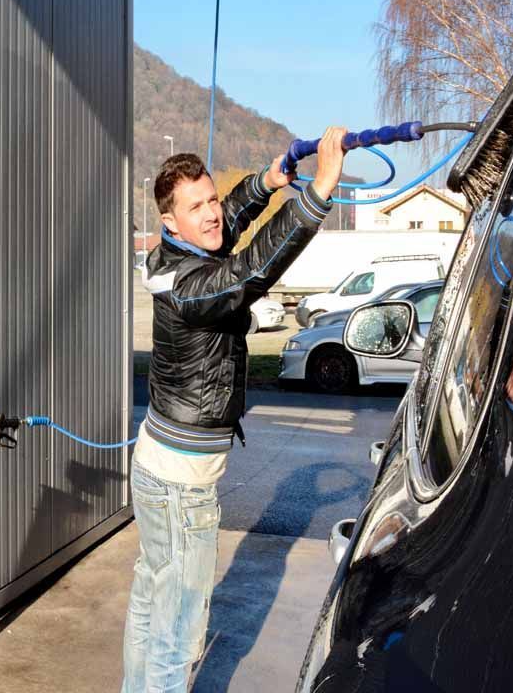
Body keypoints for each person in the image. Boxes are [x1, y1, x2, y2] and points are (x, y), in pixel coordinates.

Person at [122, 127, 348, 692]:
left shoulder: (177, 254)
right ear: (169, 221)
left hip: (157, 470)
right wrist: (317, 193)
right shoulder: (191, 284)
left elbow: (225, 233)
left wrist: (264, 183)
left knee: (151, 603)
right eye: (194, 207)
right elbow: (246, 271)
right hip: (181, 488)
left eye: (212, 199)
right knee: (178, 636)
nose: (211, 213)